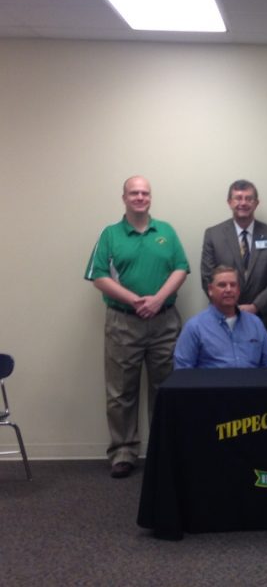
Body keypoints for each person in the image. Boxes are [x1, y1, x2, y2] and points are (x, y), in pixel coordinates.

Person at [85, 175, 189, 478]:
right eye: (134, 193)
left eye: (145, 192)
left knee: (166, 388)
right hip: (123, 322)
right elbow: (98, 276)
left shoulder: (166, 232)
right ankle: (123, 452)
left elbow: (181, 268)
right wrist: (136, 301)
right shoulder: (110, 234)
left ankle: (163, 450)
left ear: (150, 197)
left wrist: (157, 300)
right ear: (124, 198)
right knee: (120, 392)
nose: (140, 197)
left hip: (165, 320)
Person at [201, 179, 267, 361]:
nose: (243, 203)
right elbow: (208, 277)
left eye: (249, 198)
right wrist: (232, 308)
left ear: (256, 203)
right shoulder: (213, 235)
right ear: (229, 202)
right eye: (238, 198)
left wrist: (255, 307)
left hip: (266, 319)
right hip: (223, 320)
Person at [174, 266, 267, 369]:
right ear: (210, 290)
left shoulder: (255, 324)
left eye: (233, 285)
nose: (228, 289)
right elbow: (182, 370)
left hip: (253, 384)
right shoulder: (195, 327)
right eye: (222, 285)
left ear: (238, 290)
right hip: (211, 384)